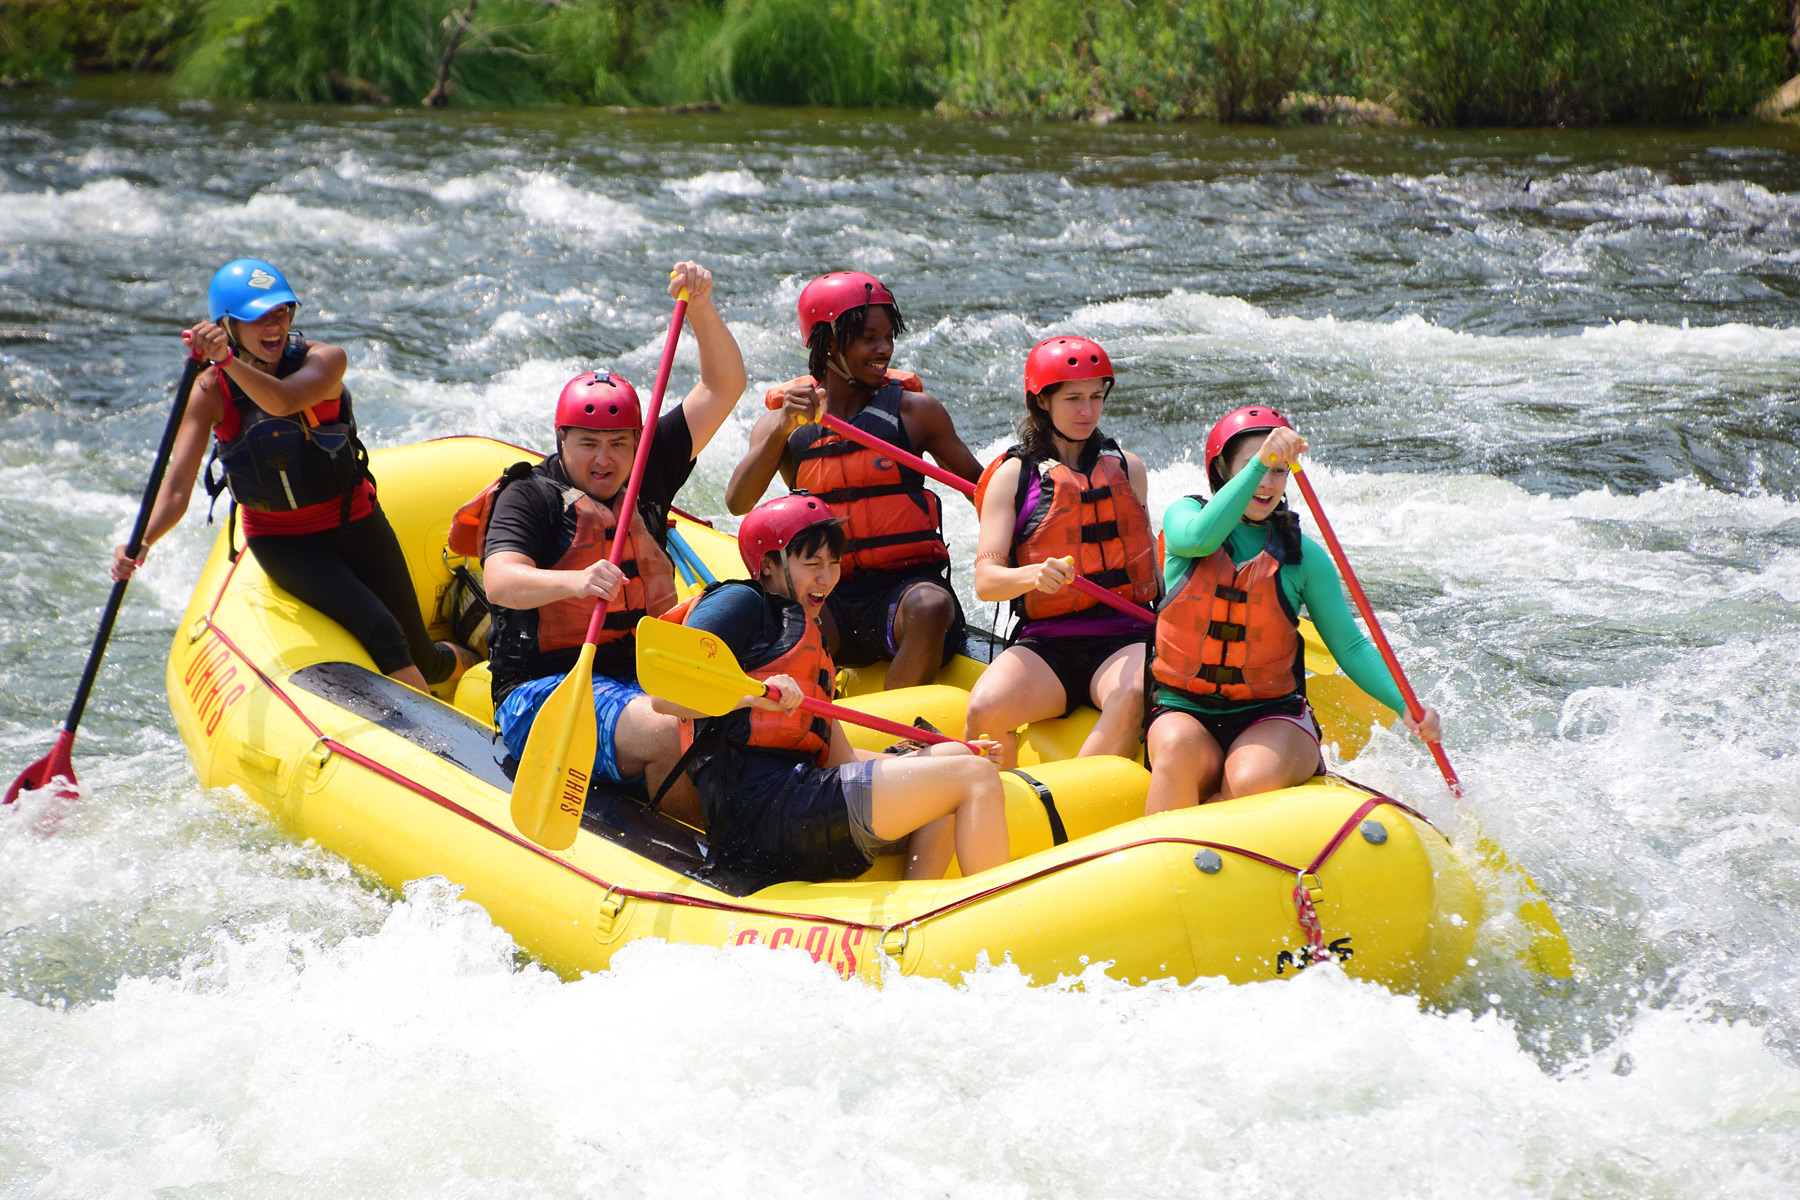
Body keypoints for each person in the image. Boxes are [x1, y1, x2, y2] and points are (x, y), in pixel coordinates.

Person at [113, 258, 469, 692]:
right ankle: (426, 750)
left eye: (280, 312)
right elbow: (175, 489)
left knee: (425, 660)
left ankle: (477, 655)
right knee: (383, 634)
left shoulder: (325, 360)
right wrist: (142, 541)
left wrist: (225, 359)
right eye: (257, 317)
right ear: (227, 326)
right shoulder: (209, 391)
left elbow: (282, 402)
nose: (273, 326)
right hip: (283, 542)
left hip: (355, 522)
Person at [472, 262, 745, 809]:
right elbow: (501, 581)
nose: (605, 459)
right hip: (544, 690)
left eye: (619, 443)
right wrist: (574, 583)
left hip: (644, 673)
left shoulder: (647, 470)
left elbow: (724, 386)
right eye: (588, 444)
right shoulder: (530, 495)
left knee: (736, 719)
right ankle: (702, 863)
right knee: (674, 732)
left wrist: (703, 306)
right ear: (561, 439)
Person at [650, 492, 1009, 883]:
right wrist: (753, 695)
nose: (827, 578)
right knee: (975, 777)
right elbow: (664, 697)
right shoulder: (740, 601)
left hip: (796, 798)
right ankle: (994, 919)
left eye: (834, 563)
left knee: (954, 755)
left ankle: (916, 907)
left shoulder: (807, 638)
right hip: (759, 817)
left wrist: (943, 757)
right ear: (769, 565)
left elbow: (843, 760)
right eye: (812, 564)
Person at [1143, 406, 1443, 812]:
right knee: (1176, 750)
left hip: (1270, 715)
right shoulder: (1186, 515)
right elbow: (1198, 540)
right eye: (1255, 467)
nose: (1267, 483)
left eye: (1279, 471)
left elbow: (1350, 646)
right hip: (1184, 708)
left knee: (1250, 779)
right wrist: (1264, 459)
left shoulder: (1305, 558)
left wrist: (1405, 703)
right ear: (1221, 470)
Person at [725, 271, 983, 690]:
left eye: (888, 337)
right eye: (869, 338)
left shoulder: (915, 413)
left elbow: (985, 491)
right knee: (779, 614)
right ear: (829, 342)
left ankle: (895, 735)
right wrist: (780, 431)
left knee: (931, 606)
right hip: (829, 592)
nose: (885, 349)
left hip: (905, 593)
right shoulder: (786, 424)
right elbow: (738, 501)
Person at [962, 336, 1160, 769]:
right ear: (1041, 402)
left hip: (1125, 634)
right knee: (984, 710)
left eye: (1095, 397)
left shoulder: (1129, 468)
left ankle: (1079, 804)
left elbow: (1153, 571)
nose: (1087, 411)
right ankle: (1002, 811)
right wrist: (1033, 576)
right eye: (1072, 398)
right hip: (1049, 642)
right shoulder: (1013, 476)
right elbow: (987, 582)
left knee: (1129, 694)